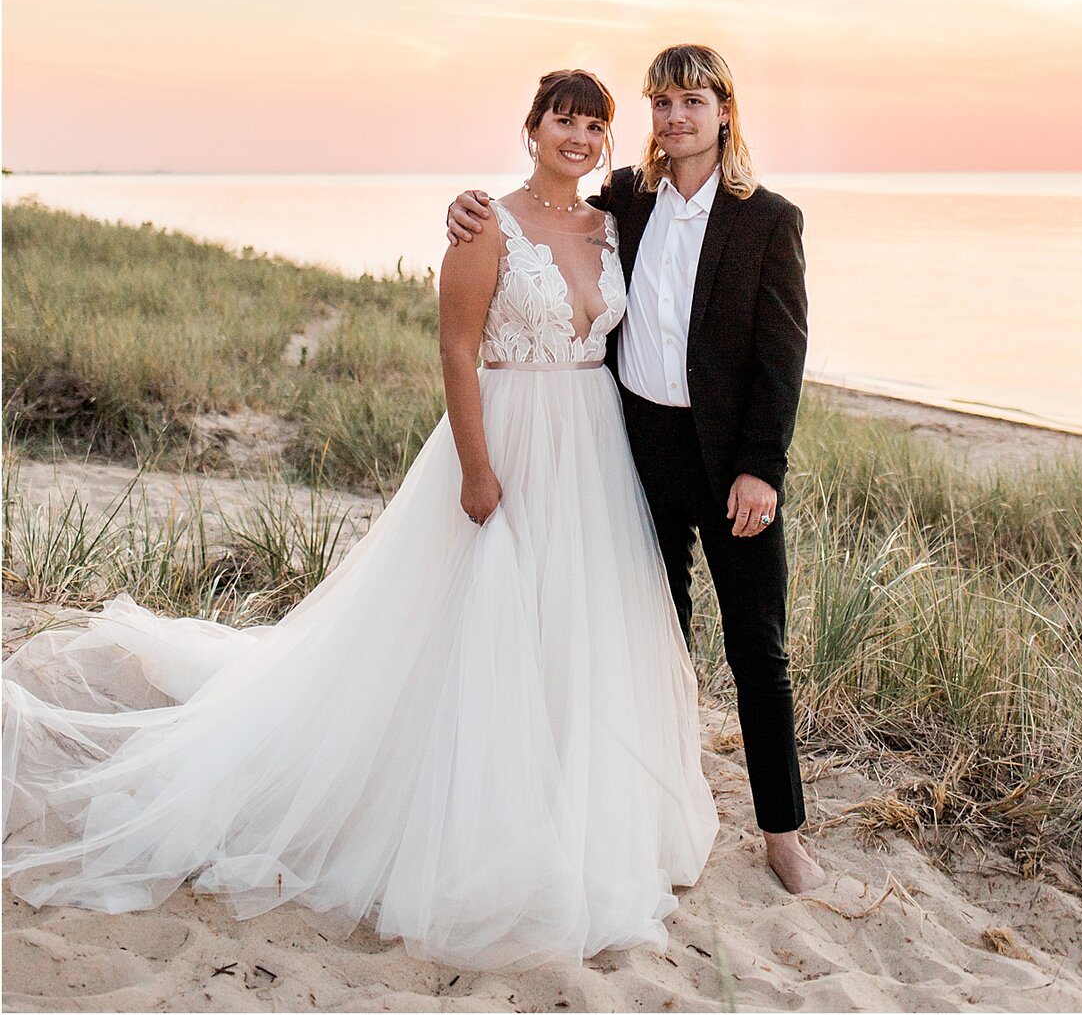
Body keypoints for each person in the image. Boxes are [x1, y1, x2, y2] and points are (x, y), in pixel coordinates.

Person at [3, 70, 716, 967]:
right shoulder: (484, 223)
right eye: (561, 120)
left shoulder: (615, 219)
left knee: (574, 630)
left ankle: (573, 802)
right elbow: (458, 347)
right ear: (530, 128)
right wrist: (477, 465)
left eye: (592, 124)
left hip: (592, 444)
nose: (576, 136)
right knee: (475, 627)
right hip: (508, 437)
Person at [448, 43, 822, 896]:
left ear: (725, 111)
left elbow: (781, 355)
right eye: (662, 103)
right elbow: (543, 209)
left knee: (758, 648)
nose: (676, 117)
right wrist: (465, 204)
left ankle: (782, 831)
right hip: (634, 449)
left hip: (733, 465)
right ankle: (651, 795)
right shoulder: (627, 201)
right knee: (647, 632)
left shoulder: (769, 218)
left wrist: (762, 467)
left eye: (693, 101)